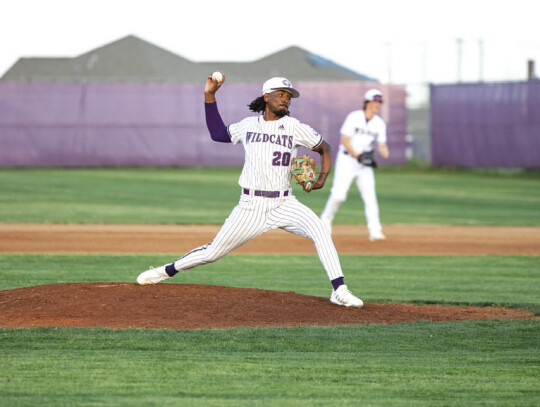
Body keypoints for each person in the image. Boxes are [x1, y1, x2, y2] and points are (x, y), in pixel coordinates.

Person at [136, 74, 363, 308]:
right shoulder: (248, 125)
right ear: (267, 97)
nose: (286, 99)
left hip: (285, 203)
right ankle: (166, 271)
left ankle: (340, 290)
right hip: (251, 206)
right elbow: (217, 134)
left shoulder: (295, 127)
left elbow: (326, 148)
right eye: (281, 94)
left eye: (289, 97)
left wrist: (322, 177)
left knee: (320, 230)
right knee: (212, 253)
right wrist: (209, 96)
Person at [320, 89, 389, 241]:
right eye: (374, 101)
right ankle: (325, 221)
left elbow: (382, 145)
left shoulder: (379, 124)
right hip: (347, 160)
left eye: (379, 102)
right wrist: (358, 156)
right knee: (338, 195)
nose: (377, 105)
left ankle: (375, 231)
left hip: (364, 164)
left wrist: (384, 152)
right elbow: (344, 139)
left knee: (370, 197)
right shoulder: (354, 117)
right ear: (367, 102)